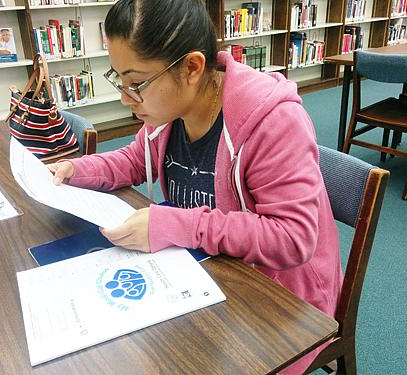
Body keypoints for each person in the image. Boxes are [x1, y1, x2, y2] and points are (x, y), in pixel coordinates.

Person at [48, 1, 342, 373]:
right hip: (209, 271)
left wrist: (177, 225)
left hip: (281, 299)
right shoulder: (167, 114)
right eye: (118, 79)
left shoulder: (273, 121)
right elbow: (135, 160)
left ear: (191, 67)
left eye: (136, 83)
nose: (125, 98)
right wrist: (74, 168)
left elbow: (293, 238)